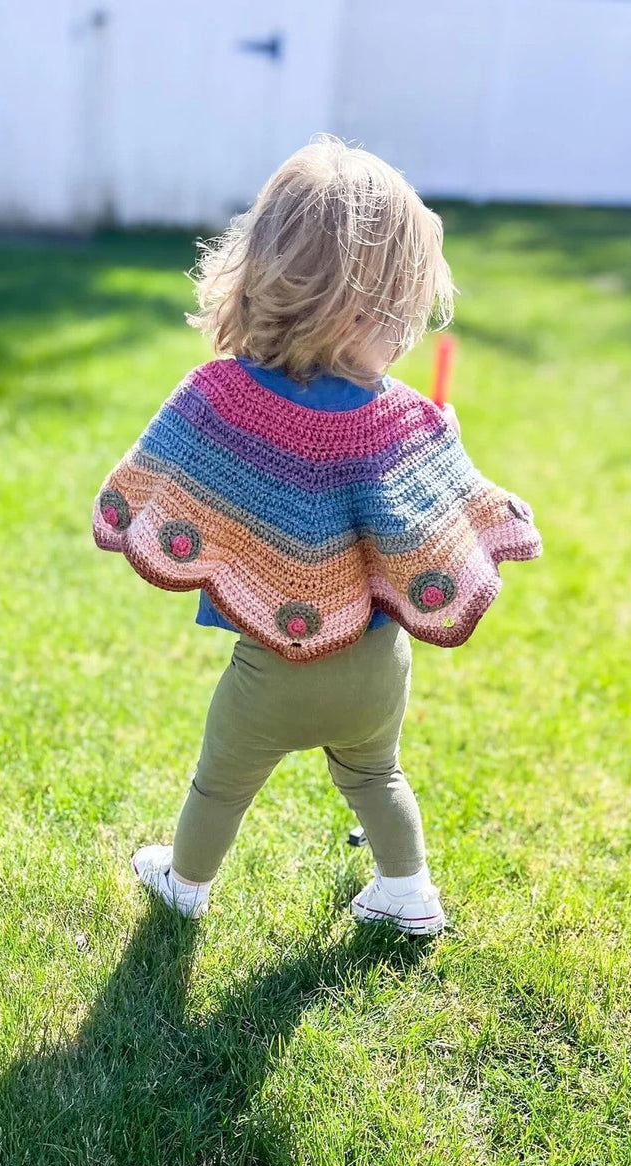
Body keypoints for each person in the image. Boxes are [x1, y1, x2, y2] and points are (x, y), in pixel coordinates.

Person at [92, 134, 541, 935]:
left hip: (271, 673)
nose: (406, 330)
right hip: (375, 668)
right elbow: (440, 531)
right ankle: (408, 892)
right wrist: (443, 448)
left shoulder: (220, 394)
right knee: (376, 776)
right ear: (372, 308)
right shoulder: (403, 417)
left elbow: (150, 479)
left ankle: (185, 884)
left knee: (221, 784)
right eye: (402, 308)